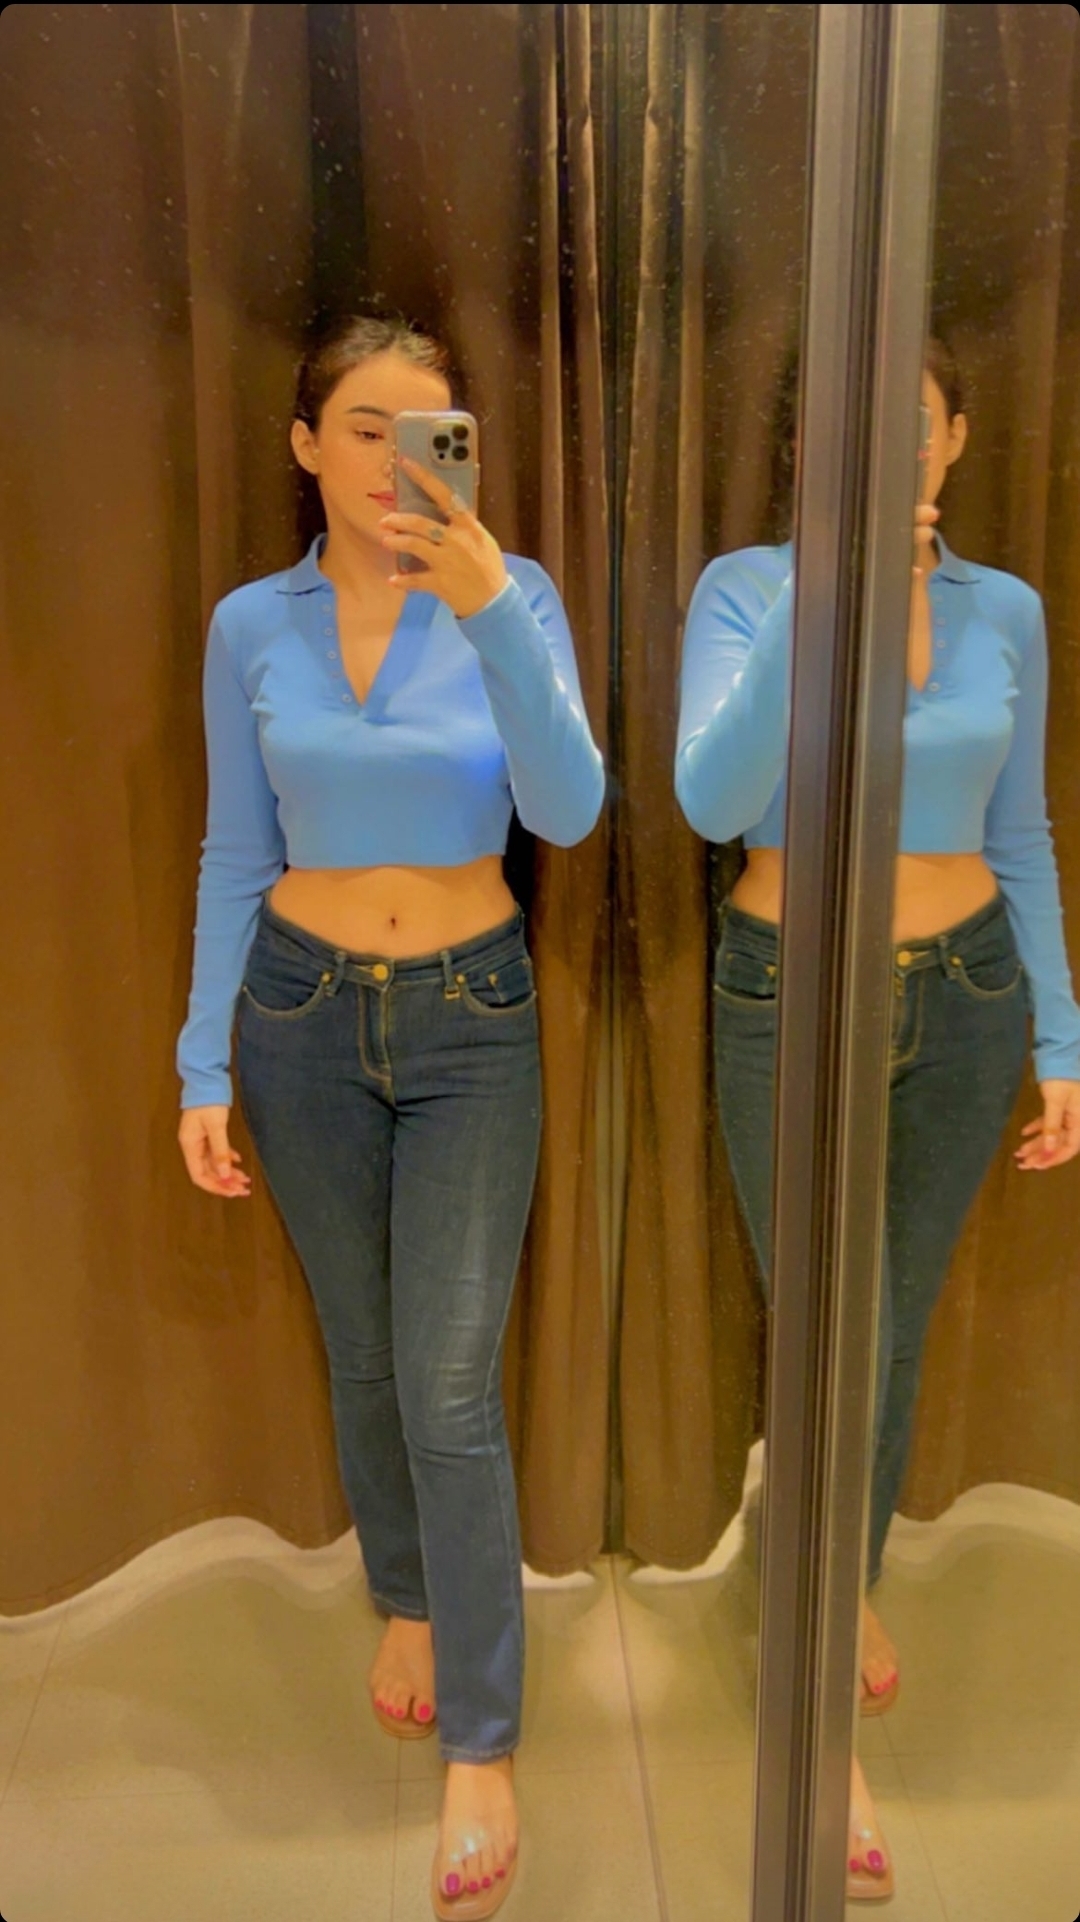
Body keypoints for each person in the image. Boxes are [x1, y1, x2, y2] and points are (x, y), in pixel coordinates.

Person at [176, 314, 605, 1921]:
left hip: (472, 1016)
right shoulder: (251, 624)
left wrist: (489, 608)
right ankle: (409, 1595)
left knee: (446, 1379)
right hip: (295, 1014)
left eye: (427, 432)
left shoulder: (513, 591)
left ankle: (484, 1738)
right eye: (361, 427)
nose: (391, 463)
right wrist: (201, 1063)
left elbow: (569, 810)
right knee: (362, 1352)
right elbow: (236, 846)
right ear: (304, 444)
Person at [673, 336, 1080, 1903]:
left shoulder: (1005, 609)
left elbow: (1022, 825)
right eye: (853, 425)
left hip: (968, 989)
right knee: (827, 1328)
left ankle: (836, 1588)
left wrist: (1059, 1029)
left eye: (912, 424)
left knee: (892, 1330)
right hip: (794, 987)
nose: (889, 447)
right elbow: (715, 803)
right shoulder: (743, 590)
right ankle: (815, 1679)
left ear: (958, 436)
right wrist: (827, 588)